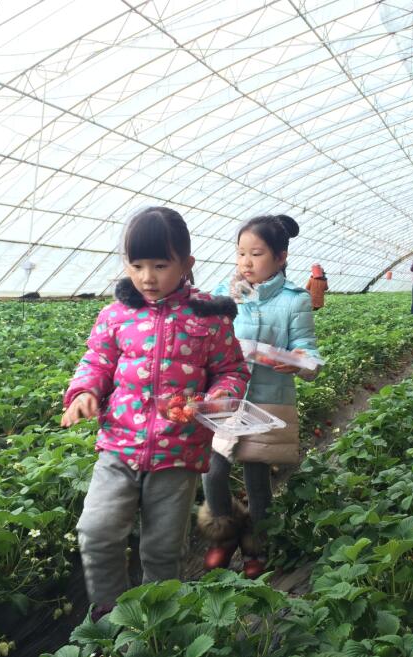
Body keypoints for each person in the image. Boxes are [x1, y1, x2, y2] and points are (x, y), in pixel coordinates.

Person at [61, 207, 250, 620]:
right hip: (119, 446)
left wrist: (217, 397)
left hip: (177, 452)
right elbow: (96, 361)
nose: (147, 277)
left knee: (163, 549)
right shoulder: (115, 314)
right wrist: (85, 392)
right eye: (137, 265)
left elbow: (232, 370)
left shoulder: (209, 316)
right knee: (96, 531)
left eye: (160, 266)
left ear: (186, 264)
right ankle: (110, 614)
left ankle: (159, 622)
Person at [199, 214, 321, 579]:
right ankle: (223, 534)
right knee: (212, 471)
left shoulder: (295, 300)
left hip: (267, 400)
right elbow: (204, 332)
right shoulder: (225, 291)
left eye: (256, 254)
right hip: (225, 397)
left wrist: (299, 361)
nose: (246, 262)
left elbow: (307, 349)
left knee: (257, 478)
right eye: (241, 254)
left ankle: (257, 545)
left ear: (281, 257)